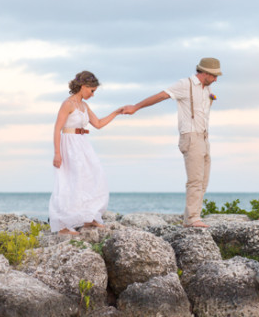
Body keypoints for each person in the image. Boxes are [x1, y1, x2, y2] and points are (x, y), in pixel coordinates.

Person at [122, 57, 222, 228]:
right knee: (195, 180)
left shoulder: (208, 89)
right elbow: (161, 95)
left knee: (204, 180)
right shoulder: (185, 84)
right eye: (214, 75)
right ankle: (192, 219)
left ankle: (190, 217)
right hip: (191, 136)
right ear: (204, 73)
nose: (216, 79)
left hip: (205, 137)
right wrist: (135, 107)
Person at [49, 71, 122, 235]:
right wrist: (57, 153)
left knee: (94, 177)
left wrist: (116, 112)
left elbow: (98, 123)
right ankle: (63, 224)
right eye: (92, 90)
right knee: (70, 181)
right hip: (69, 143)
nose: (93, 94)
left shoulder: (84, 106)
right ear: (83, 86)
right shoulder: (68, 104)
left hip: (83, 144)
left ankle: (89, 217)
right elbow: (57, 128)